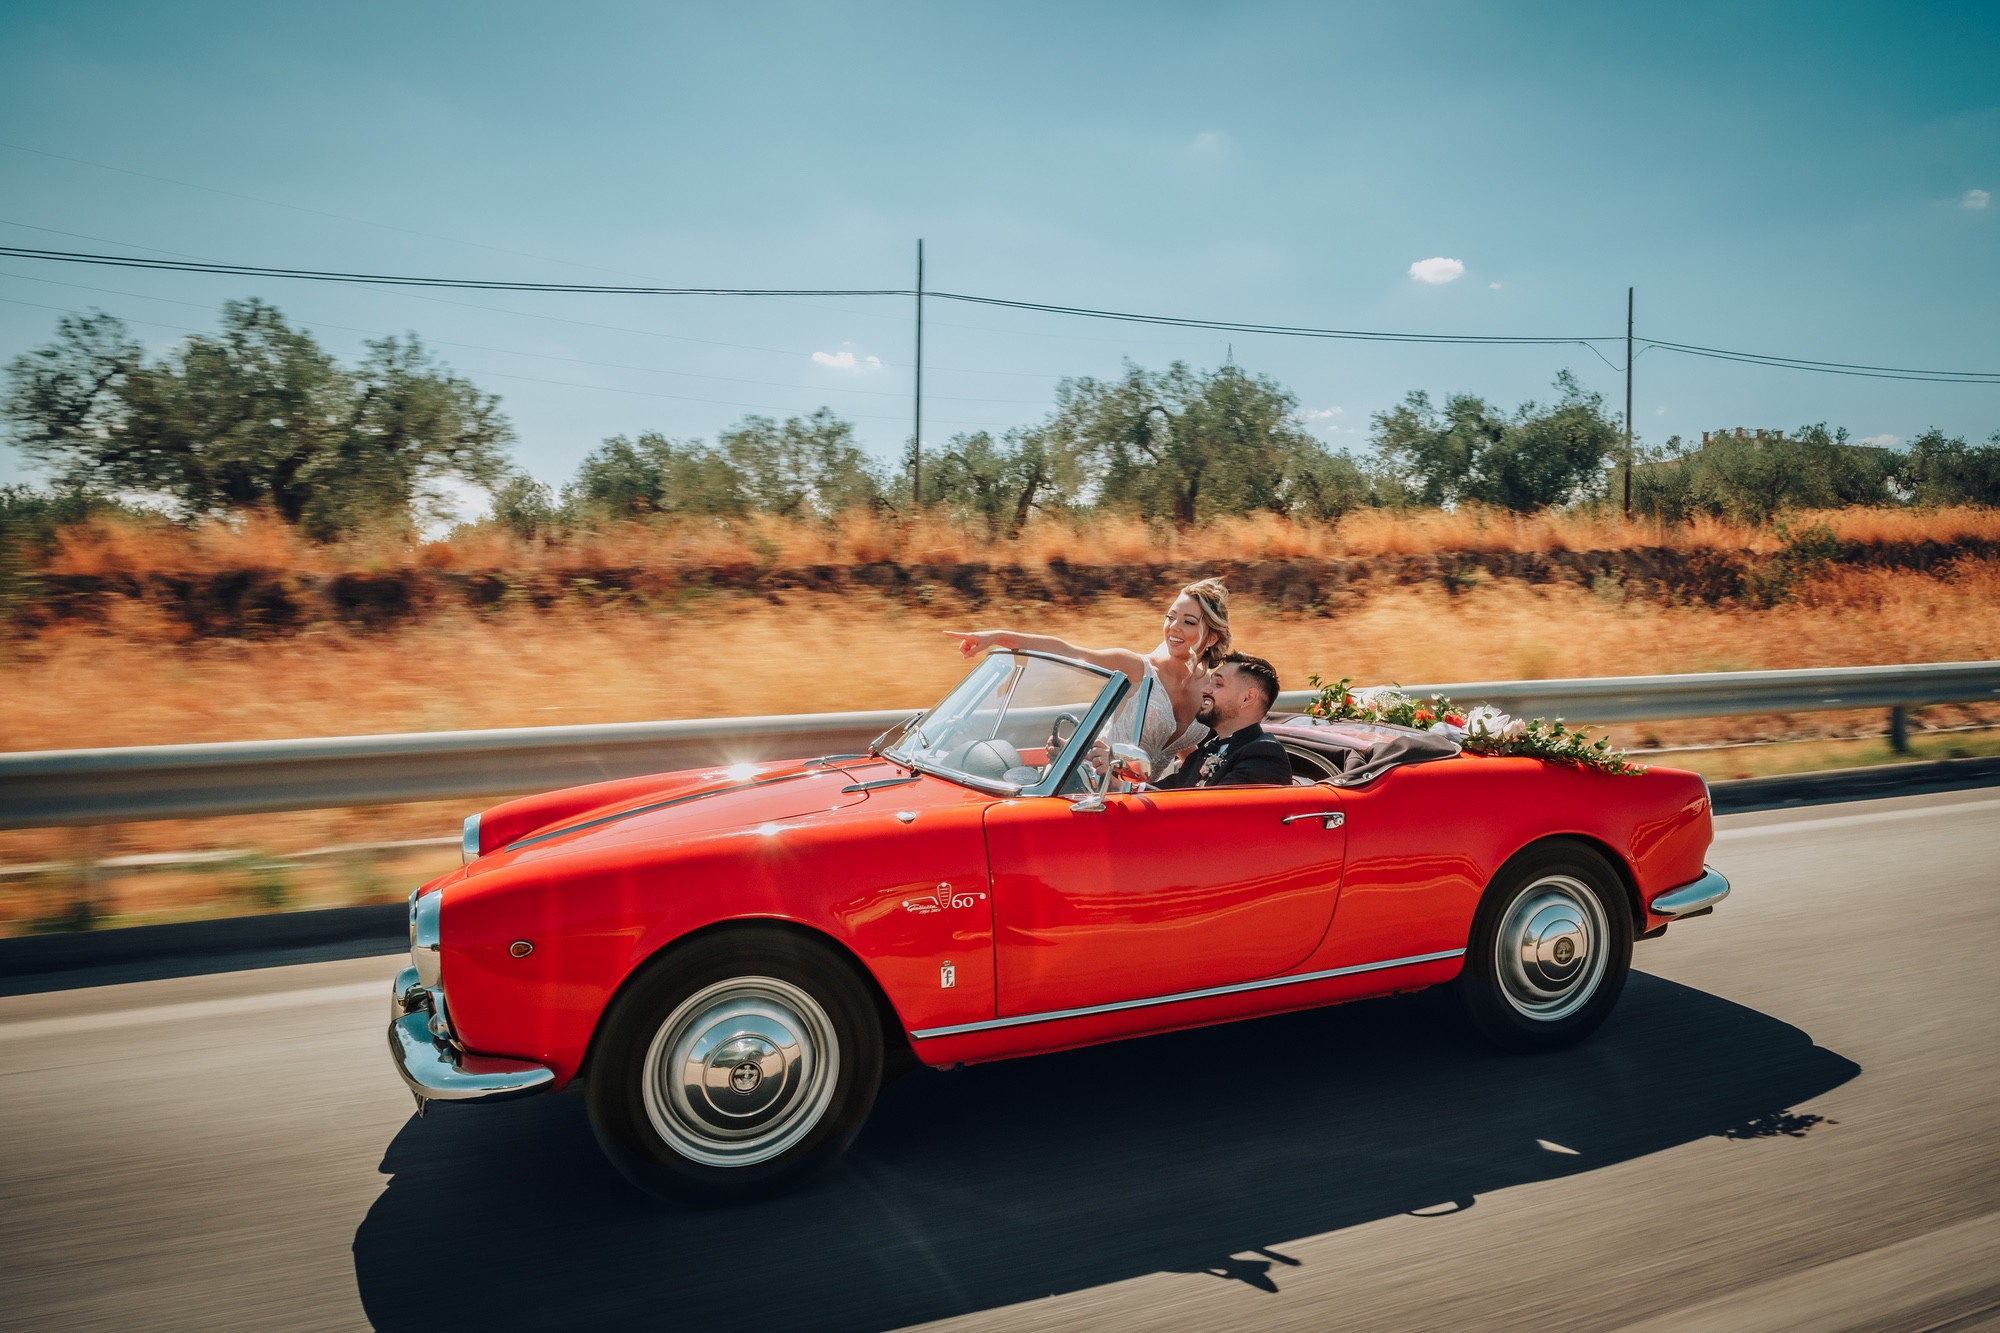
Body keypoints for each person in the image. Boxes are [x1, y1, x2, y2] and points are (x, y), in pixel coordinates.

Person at [943, 578, 1231, 768]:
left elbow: (1180, 751)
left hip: (1143, 802)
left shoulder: (1209, 688)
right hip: (1092, 788)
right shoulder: (1136, 668)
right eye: (1171, 616)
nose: (1173, 627)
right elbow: (1066, 651)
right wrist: (997, 636)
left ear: (1212, 637)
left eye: (1188, 622)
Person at [1153, 653, 1293, 789]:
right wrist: (1134, 786)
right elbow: (1165, 791)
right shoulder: (1203, 752)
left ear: (1247, 698)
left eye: (1218, 684)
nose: (1205, 689)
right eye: (1210, 683)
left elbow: (1213, 806)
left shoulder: (1264, 755)